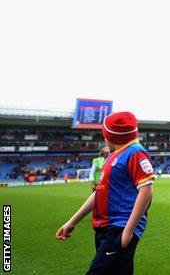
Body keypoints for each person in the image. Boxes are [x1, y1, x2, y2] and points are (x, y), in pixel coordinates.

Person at [56, 112, 154, 275]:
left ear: (111, 136)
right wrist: (72, 221)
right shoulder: (113, 156)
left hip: (119, 228)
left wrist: (128, 230)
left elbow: (146, 191)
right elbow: (99, 193)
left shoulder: (135, 152)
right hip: (105, 228)